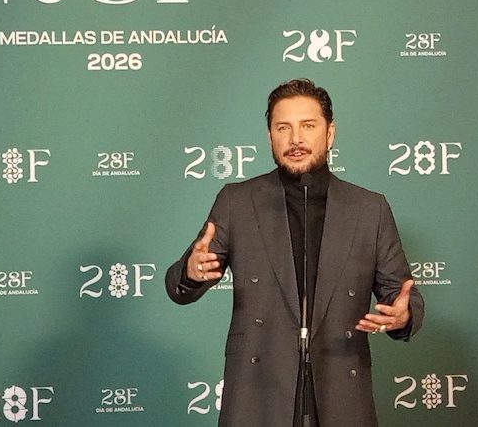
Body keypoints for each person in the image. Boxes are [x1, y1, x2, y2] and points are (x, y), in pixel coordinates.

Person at [165, 79, 424, 427]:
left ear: (330, 134)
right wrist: (191, 273)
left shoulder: (369, 209)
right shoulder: (236, 201)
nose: (295, 138)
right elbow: (178, 286)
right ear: (270, 135)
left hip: (340, 392)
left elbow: (402, 293)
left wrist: (403, 316)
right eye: (283, 127)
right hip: (257, 393)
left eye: (308, 126)